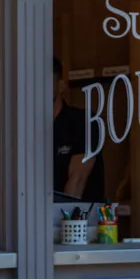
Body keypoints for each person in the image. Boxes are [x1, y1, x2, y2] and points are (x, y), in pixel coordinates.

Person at [52, 57, 105, 201]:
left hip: (78, 220)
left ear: (61, 85)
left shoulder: (83, 121)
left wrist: (59, 220)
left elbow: (76, 182)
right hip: (39, 218)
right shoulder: (27, 128)